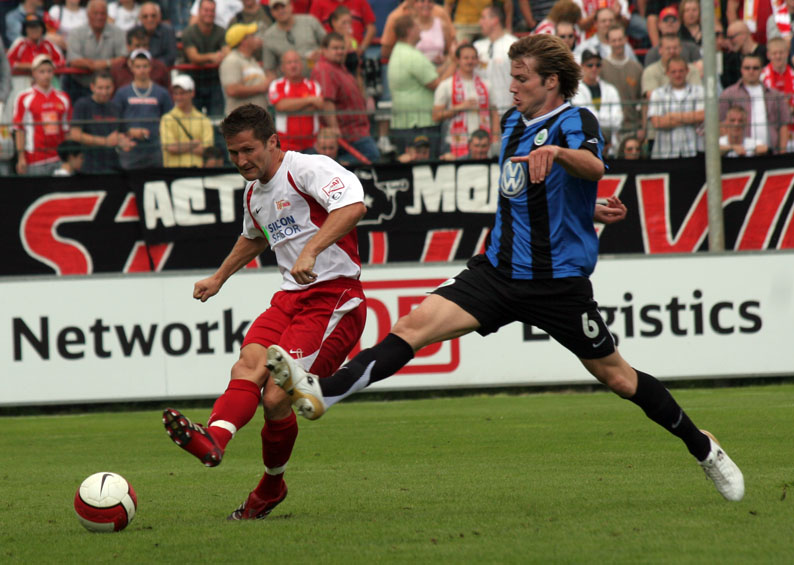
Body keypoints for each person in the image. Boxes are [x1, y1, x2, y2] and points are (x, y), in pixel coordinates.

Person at [266, 34, 745, 505]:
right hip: (496, 272)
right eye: (511, 77)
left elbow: (593, 167)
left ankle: (704, 448)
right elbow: (528, 194)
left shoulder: (575, 119)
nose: (512, 87)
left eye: (522, 78)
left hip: (557, 285)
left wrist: (559, 155)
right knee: (412, 326)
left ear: (551, 81)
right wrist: (587, 209)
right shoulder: (511, 122)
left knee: (619, 378)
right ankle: (323, 393)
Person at [162, 103, 368, 521]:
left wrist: (311, 251)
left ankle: (272, 485)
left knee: (275, 397)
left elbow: (353, 207)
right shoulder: (254, 193)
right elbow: (254, 237)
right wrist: (219, 277)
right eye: (233, 153)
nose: (241, 160)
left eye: (248, 150)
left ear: (273, 141)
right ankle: (213, 438)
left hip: (335, 299)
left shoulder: (307, 169)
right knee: (248, 365)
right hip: (290, 299)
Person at [312, 31, 380, 163]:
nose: (340, 51)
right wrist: (334, 128)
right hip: (347, 134)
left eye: (342, 48)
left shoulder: (340, 67)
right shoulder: (325, 69)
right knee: (372, 155)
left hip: (357, 131)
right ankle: (338, 166)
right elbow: (327, 101)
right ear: (324, 50)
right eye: (335, 48)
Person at [387, 15, 447, 157]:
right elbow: (437, 84)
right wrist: (455, 64)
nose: (420, 29)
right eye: (417, 26)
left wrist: (448, 63)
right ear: (409, 31)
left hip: (407, 123)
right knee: (426, 165)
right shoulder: (412, 56)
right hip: (419, 124)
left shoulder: (400, 51)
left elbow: (432, 75)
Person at [433, 43, 497, 158]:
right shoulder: (446, 85)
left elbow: (494, 112)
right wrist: (459, 107)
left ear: (477, 60)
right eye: (466, 58)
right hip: (455, 143)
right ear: (458, 60)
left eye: (473, 58)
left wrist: (495, 138)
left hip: (482, 143)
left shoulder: (487, 84)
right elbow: (436, 116)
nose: (470, 61)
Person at [112, 48, 172, 169]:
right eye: (138, 67)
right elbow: (115, 119)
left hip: (154, 147)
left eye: (145, 66)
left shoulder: (162, 93)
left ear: (150, 67)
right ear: (131, 68)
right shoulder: (122, 93)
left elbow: (169, 119)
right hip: (130, 148)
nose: (142, 70)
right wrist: (128, 131)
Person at [719, 53, 791, 154]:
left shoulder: (775, 95)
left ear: (761, 70)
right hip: (741, 154)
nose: (751, 71)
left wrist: (782, 152)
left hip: (770, 153)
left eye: (755, 68)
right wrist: (732, 147)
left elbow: (783, 126)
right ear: (741, 70)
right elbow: (720, 123)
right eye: (747, 68)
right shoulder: (728, 94)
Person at [12, 54, 72, 175]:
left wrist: (68, 158)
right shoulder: (24, 97)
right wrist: (21, 157)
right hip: (35, 159)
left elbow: (67, 130)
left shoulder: (63, 97)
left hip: (59, 157)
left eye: (49, 71)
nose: (46, 75)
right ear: (34, 73)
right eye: (42, 71)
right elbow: (19, 129)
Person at [65, 0, 127, 104]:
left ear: (107, 15)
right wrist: (97, 64)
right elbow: (73, 60)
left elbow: (123, 59)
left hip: (110, 86)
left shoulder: (118, 32)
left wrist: (98, 64)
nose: (99, 17)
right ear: (88, 14)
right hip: (80, 85)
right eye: (95, 13)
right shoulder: (75, 33)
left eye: (102, 13)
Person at [69, 70, 128, 173]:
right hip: (89, 166)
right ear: (92, 87)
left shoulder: (116, 107)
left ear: (113, 87)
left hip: (113, 165)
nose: (104, 92)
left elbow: (122, 133)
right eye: (100, 88)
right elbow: (75, 135)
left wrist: (124, 141)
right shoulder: (82, 105)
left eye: (107, 88)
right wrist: (105, 141)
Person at [648, 56, 704, 159]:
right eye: (673, 72)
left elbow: (702, 116)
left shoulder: (700, 91)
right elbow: (657, 122)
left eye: (681, 71)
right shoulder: (657, 94)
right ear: (667, 73)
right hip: (665, 153)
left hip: (693, 150)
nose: (677, 75)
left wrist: (671, 116)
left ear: (687, 71)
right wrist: (691, 118)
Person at [268, 49, 323, 151]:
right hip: (285, 146)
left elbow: (318, 106)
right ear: (282, 67)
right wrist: (309, 100)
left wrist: (291, 106)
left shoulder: (313, 85)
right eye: (289, 63)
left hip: (311, 145)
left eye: (296, 62)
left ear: (302, 65)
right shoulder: (276, 84)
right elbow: (281, 106)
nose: (293, 65)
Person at [571, 50, 623, 155]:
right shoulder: (577, 91)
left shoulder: (610, 89)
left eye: (597, 65)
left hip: (611, 147)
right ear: (582, 66)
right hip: (587, 145)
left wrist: (597, 119)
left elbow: (617, 120)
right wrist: (607, 120)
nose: (594, 68)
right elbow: (587, 119)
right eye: (590, 65)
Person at [181, 0, 228, 116]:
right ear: (199, 11)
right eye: (206, 10)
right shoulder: (189, 32)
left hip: (214, 82)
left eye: (212, 11)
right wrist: (212, 57)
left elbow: (227, 53)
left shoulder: (221, 31)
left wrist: (218, 57)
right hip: (193, 83)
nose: (209, 13)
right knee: (193, 121)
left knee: (218, 120)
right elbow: (193, 57)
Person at [600, 24, 643, 143]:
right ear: (608, 42)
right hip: (610, 129)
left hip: (633, 128)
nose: (617, 43)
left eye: (620, 39)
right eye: (614, 40)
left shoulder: (637, 68)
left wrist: (643, 127)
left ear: (626, 39)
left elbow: (642, 100)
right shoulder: (601, 68)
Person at [474, 4, 519, 116]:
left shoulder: (513, 44)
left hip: (507, 109)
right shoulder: (477, 46)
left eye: (483, 18)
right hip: (482, 112)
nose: (480, 22)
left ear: (494, 20)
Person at [160, 74, 214, 167]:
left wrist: (180, 147)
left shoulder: (203, 119)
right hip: (175, 171)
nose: (178, 97)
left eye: (182, 93)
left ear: (192, 93)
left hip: (198, 171)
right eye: (176, 93)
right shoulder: (167, 118)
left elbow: (207, 150)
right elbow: (171, 147)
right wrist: (195, 144)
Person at [262, 0, 326, 77]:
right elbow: (269, 69)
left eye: (283, 7)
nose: (280, 11)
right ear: (271, 12)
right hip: (288, 81)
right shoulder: (269, 36)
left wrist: (321, 53)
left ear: (291, 6)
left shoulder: (310, 21)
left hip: (318, 76)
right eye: (276, 9)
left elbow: (329, 45)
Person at [219, 22, 272, 115]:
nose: (256, 38)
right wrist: (261, 87)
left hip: (255, 117)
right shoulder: (231, 60)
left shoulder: (251, 60)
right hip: (241, 119)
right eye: (252, 36)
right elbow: (232, 90)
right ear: (243, 41)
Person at [761, 36, 794, 151]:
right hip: (771, 131)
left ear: (787, 53)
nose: (778, 56)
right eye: (774, 53)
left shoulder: (793, 74)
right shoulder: (762, 77)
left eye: (781, 53)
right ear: (768, 55)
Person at [721, 21, 767, 89]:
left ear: (744, 35)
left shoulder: (766, 54)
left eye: (732, 37)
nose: (729, 41)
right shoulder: (731, 60)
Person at [135, 2, 177, 67]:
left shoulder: (168, 31)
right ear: (140, 18)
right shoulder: (134, 32)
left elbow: (171, 57)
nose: (149, 19)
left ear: (159, 17)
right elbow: (131, 55)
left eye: (153, 16)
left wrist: (150, 64)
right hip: (138, 70)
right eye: (145, 16)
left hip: (162, 69)